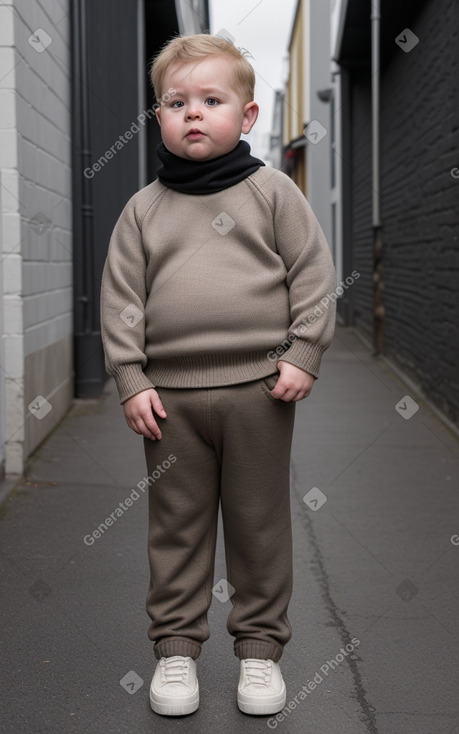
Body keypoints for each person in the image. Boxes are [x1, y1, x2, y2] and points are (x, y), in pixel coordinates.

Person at [100, 33, 336, 718]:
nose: (192, 113)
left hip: (260, 392)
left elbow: (313, 277)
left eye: (211, 100)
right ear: (159, 116)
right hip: (168, 401)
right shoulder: (142, 210)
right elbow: (122, 300)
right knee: (175, 525)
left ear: (249, 115)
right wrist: (131, 377)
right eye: (176, 103)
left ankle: (258, 656)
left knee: (258, 524)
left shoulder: (272, 194)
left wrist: (302, 354)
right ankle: (176, 650)